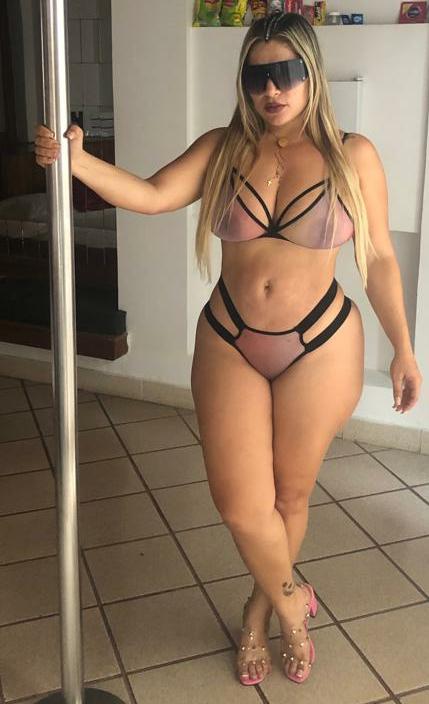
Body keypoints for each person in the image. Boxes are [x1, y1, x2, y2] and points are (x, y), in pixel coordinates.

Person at [35, 10, 422, 688]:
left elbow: (380, 258)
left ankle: (258, 611)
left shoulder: (351, 154)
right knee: (241, 503)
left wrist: (403, 348)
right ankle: (292, 601)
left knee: (290, 494)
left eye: (285, 74)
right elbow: (152, 195)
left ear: (311, 74)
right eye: (256, 77)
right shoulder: (223, 148)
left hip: (320, 343)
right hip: (229, 338)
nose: (271, 90)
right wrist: (79, 160)